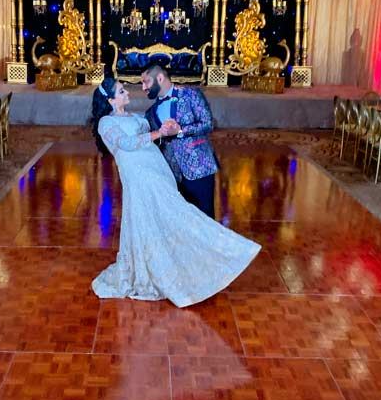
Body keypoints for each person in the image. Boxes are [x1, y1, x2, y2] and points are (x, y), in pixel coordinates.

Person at [90, 78, 260, 308]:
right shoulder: (106, 123)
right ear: (110, 100)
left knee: (169, 214)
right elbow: (127, 144)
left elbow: (152, 133)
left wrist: (168, 127)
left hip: (156, 170)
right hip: (139, 176)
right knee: (167, 215)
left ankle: (188, 261)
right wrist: (158, 133)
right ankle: (220, 251)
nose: (127, 92)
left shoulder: (136, 118)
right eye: (121, 91)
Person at [140, 64, 218, 218]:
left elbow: (208, 124)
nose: (143, 87)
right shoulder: (151, 112)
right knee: (182, 220)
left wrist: (180, 131)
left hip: (199, 168)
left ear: (160, 78)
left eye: (146, 81)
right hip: (172, 175)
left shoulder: (191, 94)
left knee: (205, 218)